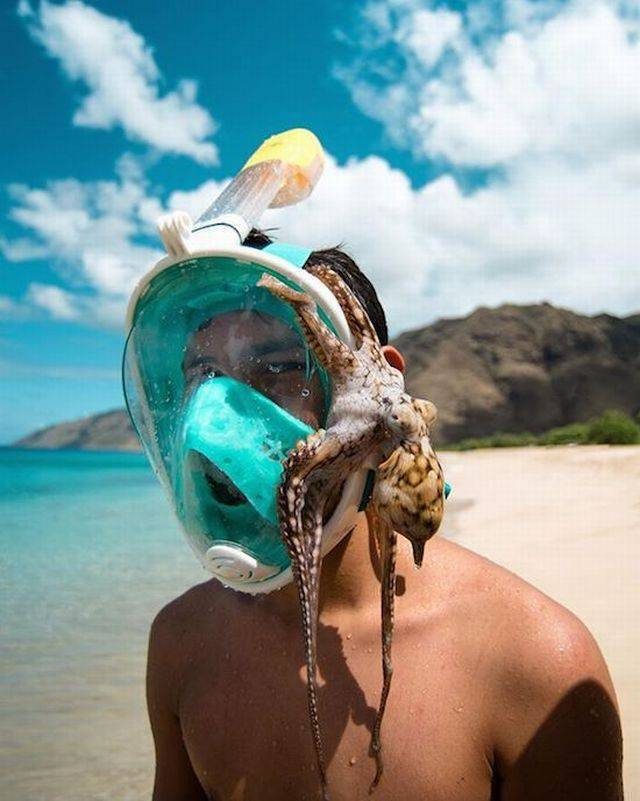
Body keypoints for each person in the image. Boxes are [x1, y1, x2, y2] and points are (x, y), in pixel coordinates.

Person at [145, 232, 623, 801]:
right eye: (202, 377)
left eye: (278, 366)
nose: (216, 415)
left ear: (383, 380)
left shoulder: (538, 661)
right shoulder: (181, 642)